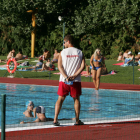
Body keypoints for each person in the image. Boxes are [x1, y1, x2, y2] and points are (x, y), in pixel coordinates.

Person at [53, 35, 85, 126]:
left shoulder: (62, 52)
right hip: (76, 80)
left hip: (64, 80)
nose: (64, 44)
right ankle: (77, 120)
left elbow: (59, 66)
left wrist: (66, 76)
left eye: (64, 42)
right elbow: (82, 66)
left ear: (68, 42)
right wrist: (74, 75)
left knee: (60, 99)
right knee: (76, 99)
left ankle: (55, 119)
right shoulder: (80, 52)